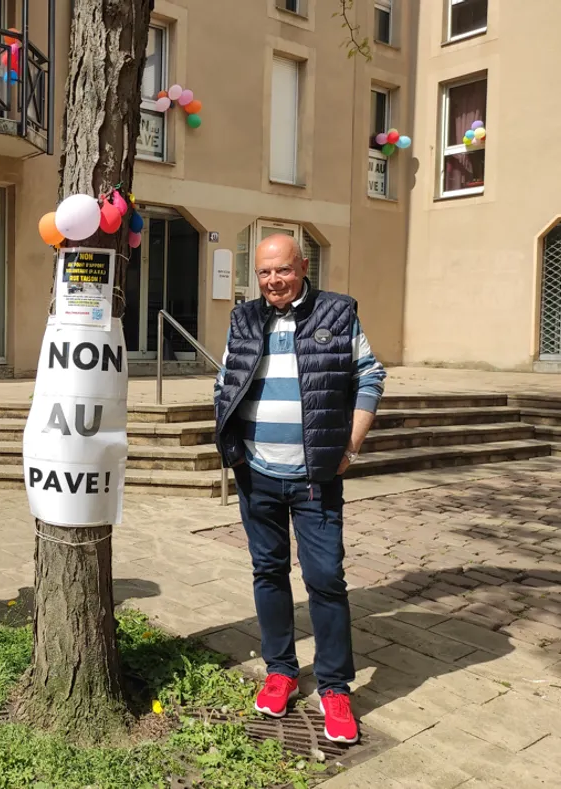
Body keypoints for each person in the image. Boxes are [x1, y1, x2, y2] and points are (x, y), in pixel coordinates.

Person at [213, 234, 386, 744]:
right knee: (268, 572)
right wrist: (232, 446)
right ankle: (281, 671)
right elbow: (225, 380)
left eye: (282, 270)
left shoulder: (338, 313)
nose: (273, 281)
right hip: (257, 474)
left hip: (315, 477)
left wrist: (349, 447)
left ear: (303, 267)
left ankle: (334, 687)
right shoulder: (244, 318)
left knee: (325, 579)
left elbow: (370, 376)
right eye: (264, 273)